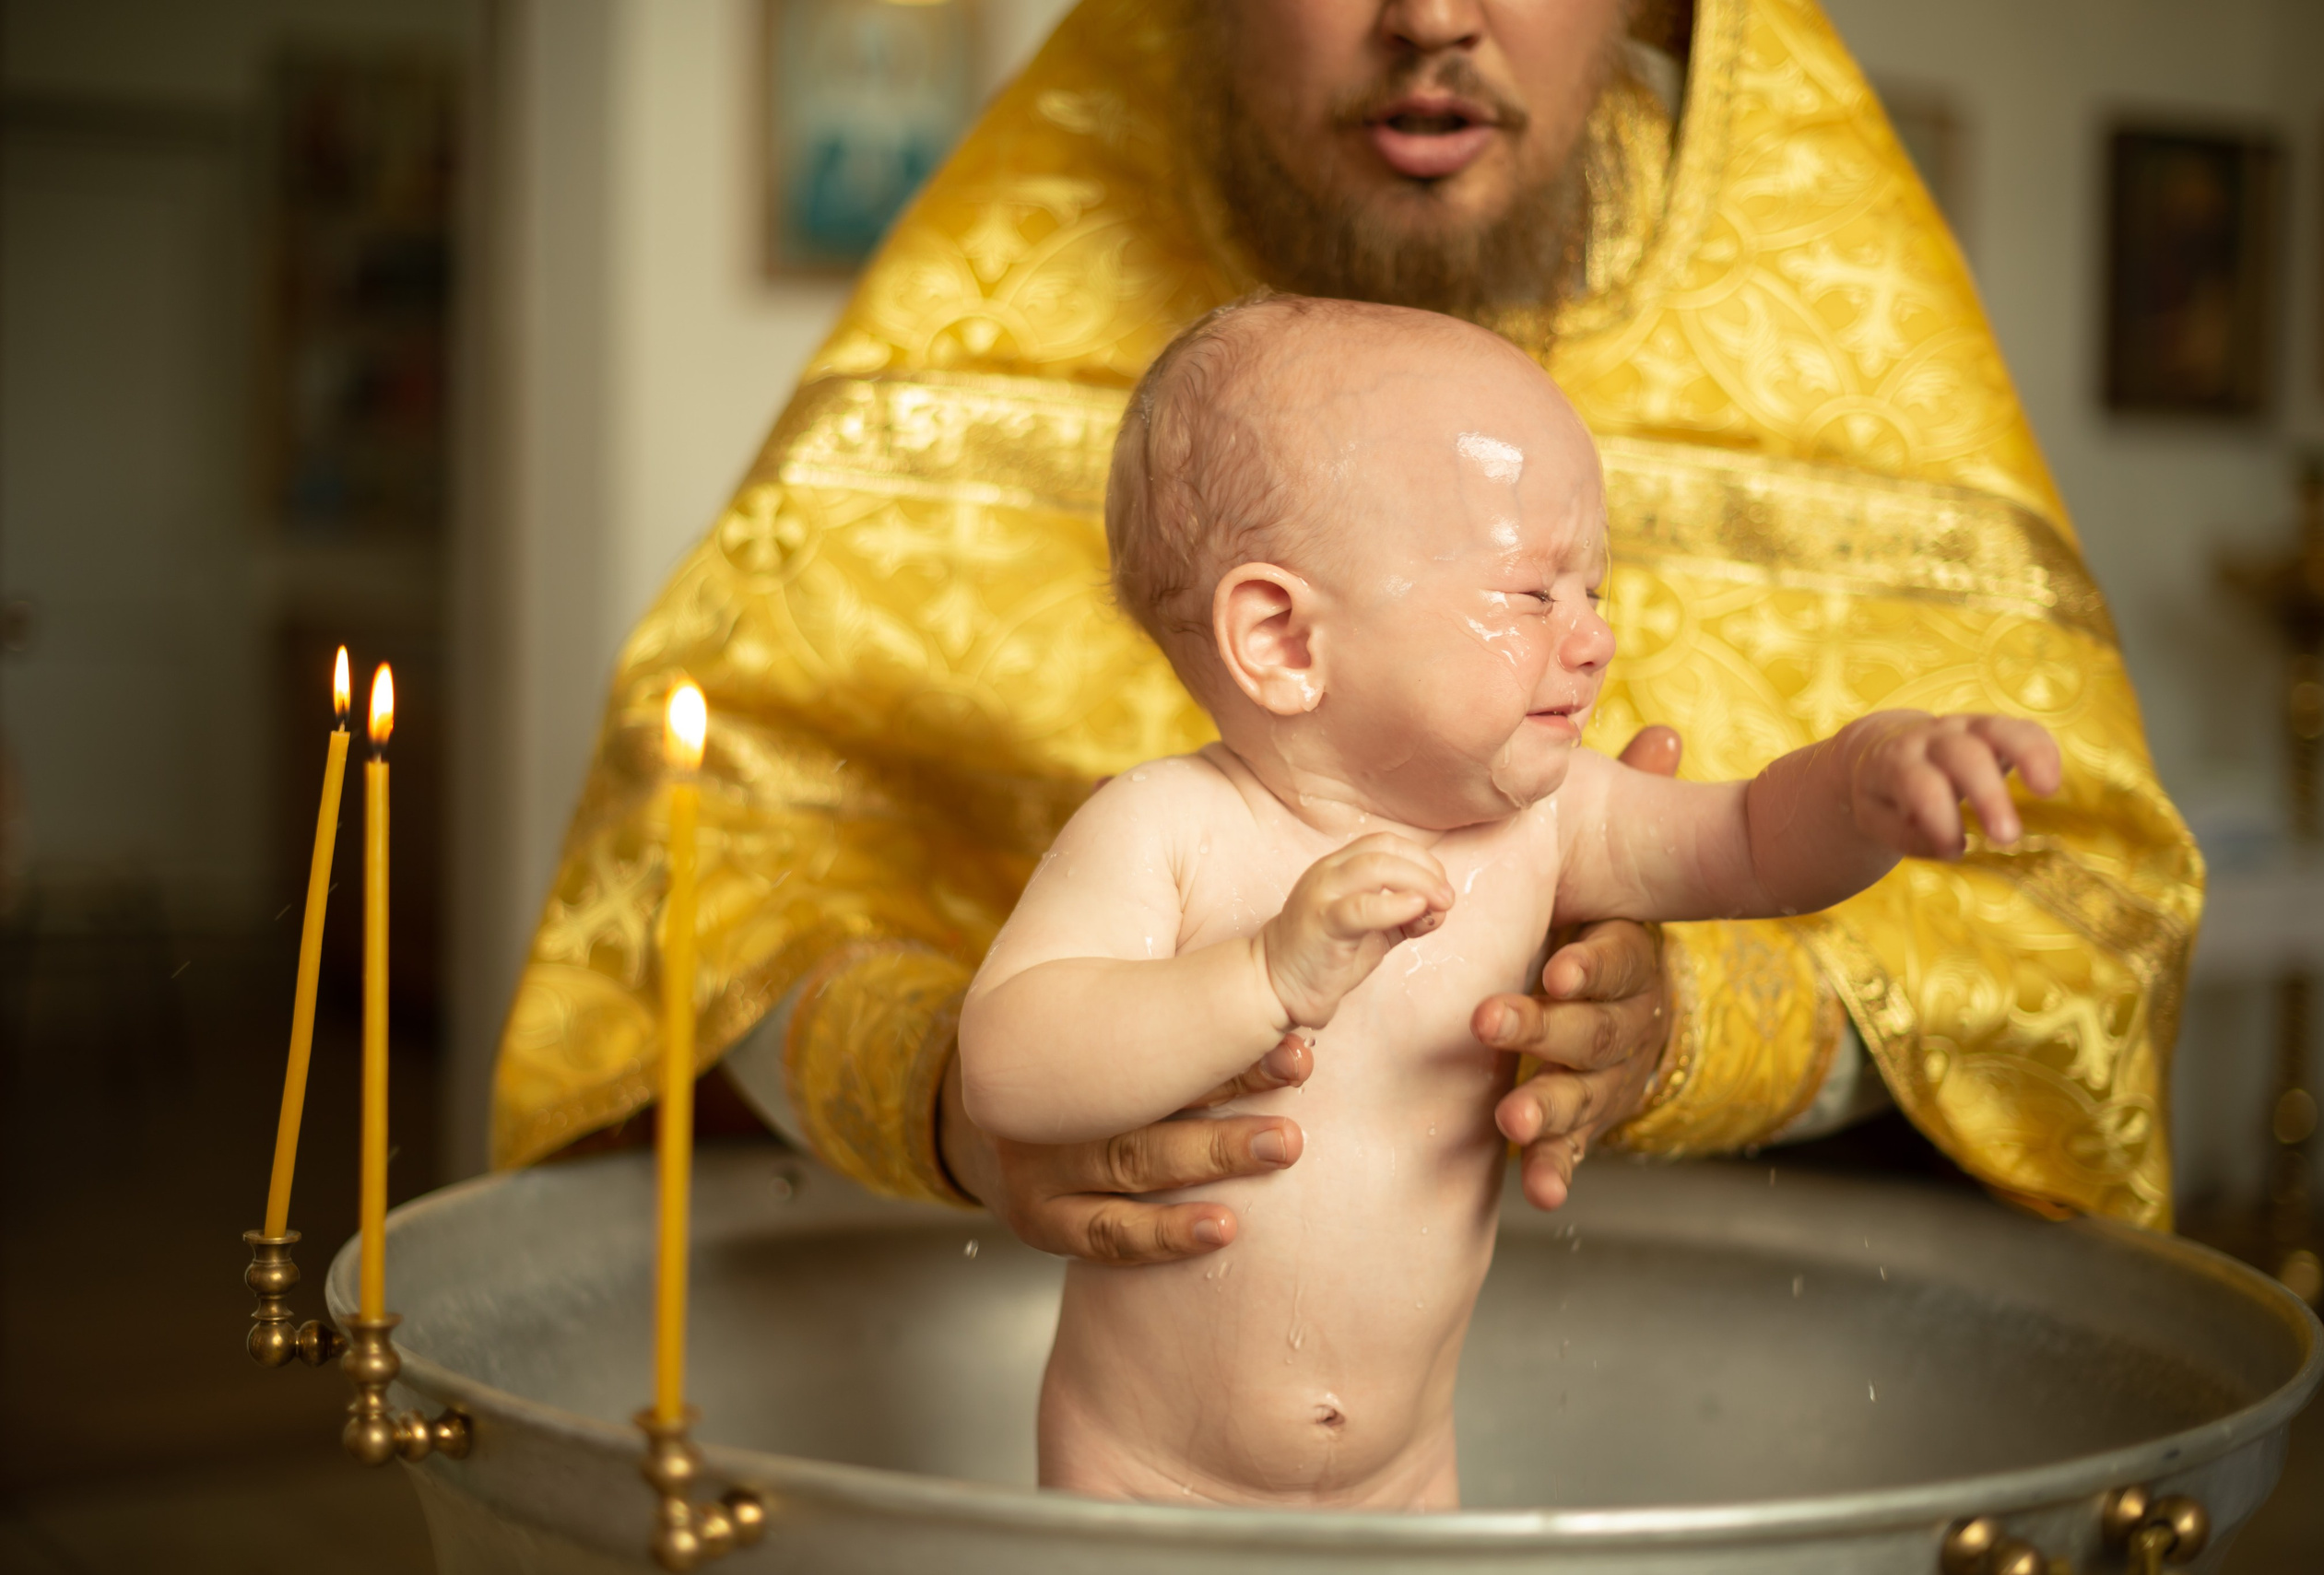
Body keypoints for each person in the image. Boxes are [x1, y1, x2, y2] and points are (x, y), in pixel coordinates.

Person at [491, 0, 2198, 1258]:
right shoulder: (1009, 269)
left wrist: (1698, 1029)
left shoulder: (1832, 306)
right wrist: (961, 1103)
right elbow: (701, 885)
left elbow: (2061, 918)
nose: (1434, 19)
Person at [959, 294, 2062, 1506]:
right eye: (1534, 594)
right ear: (1281, 638)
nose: (1594, 639)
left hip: (1403, 1477)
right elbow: (1008, 1065)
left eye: (1593, 590)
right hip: (1144, 1480)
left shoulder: (1545, 822)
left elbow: (1748, 839)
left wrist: (1859, 785)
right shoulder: (1169, 828)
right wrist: (1261, 977)